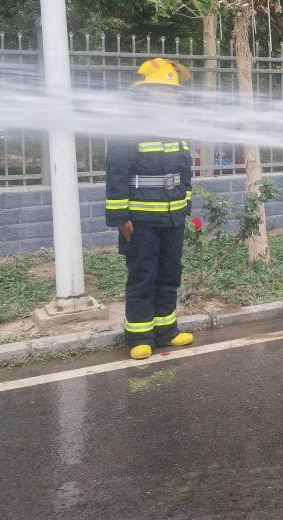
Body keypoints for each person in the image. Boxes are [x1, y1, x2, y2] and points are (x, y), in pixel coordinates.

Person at [105, 58, 195, 360]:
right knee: (143, 274)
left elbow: (186, 170)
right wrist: (120, 218)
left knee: (170, 273)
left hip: (173, 217)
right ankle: (139, 336)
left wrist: (185, 205)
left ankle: (166, 331)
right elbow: (116, 172)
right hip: (141, 218)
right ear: (145, 91)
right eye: (160, 90)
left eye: (171, 91)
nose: (166, 95)